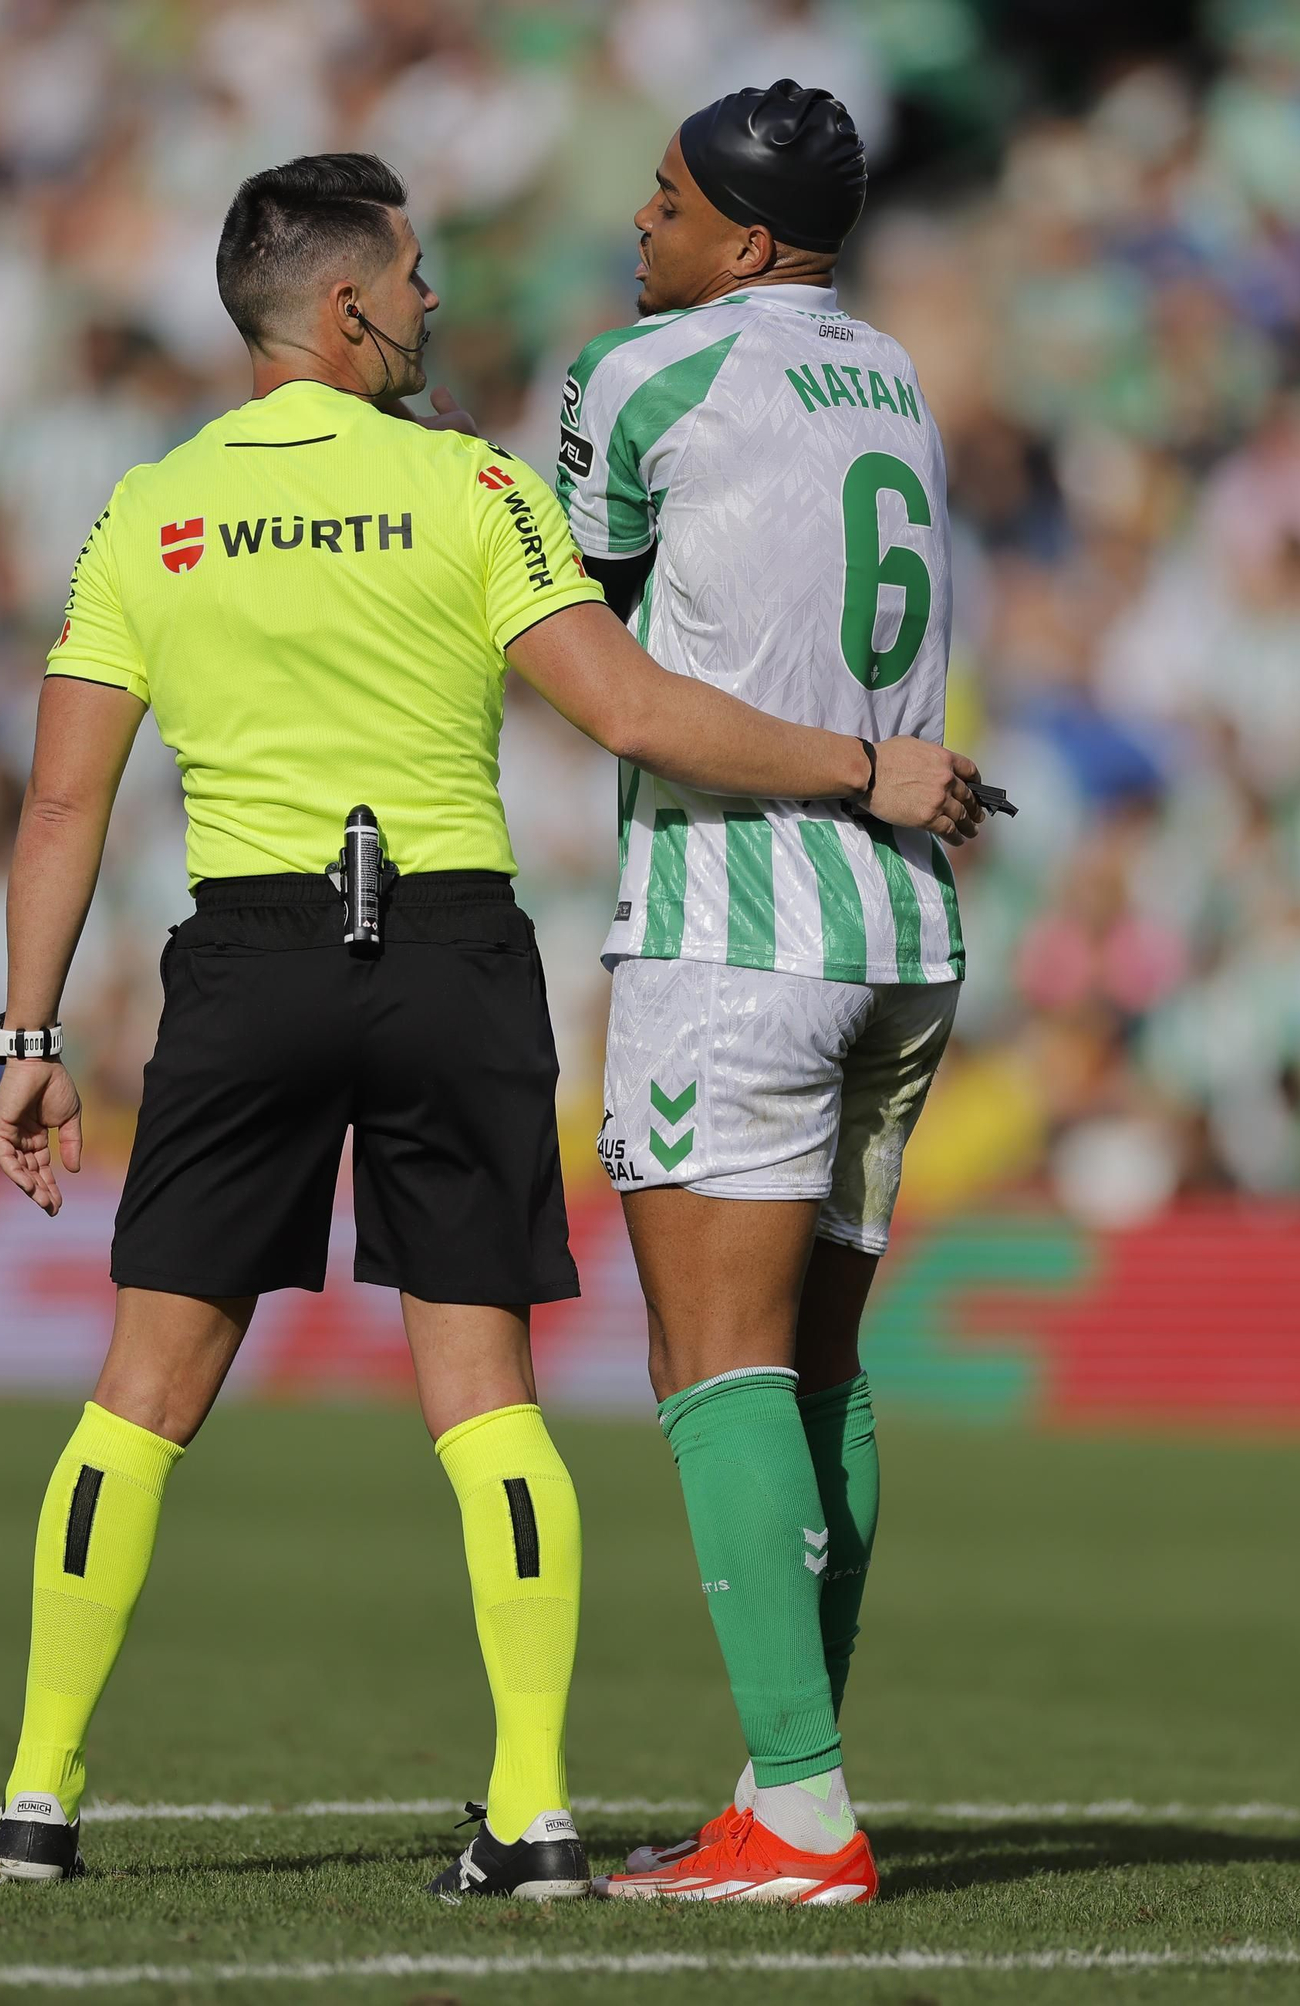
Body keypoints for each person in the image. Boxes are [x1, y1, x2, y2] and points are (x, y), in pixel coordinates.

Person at [0, 152, 970, 1901]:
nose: (437, 302)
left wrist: (27, 1034)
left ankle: (37, 1794)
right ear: (349, 305)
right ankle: (532, 1808)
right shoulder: (475, 489)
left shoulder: (153, 507)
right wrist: (863, 762)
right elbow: (636, 705)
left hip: (249, 947)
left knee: (140, 1393)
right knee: (487, 1400)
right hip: (446, 947)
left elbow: (62, 807)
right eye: (418, 277)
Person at [556, 83, 986, 1904]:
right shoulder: (890, 374)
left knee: (710, 1363)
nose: (633, 225)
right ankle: (775, 1780)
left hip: (740, 921)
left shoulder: (639, 375)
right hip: (905, 932)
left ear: (741, 239)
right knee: (818, 1360)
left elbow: (593, 625)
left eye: (661, 201)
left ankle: (802, 1813)